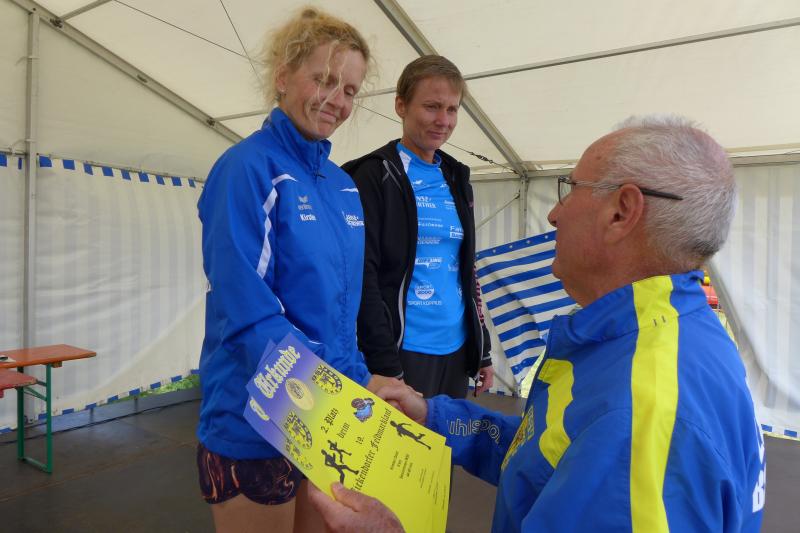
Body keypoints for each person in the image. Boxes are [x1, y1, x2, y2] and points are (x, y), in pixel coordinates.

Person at [308, 115, 767, 532]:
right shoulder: (657, 337)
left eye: (572, 188)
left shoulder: (637, 422)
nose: (554, 213)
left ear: (621, 212)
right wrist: (435, 416)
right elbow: (548, 455)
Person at [195, 8, 397, 532]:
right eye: (324, 79)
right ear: (283, 76)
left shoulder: (341, 185)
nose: (337, 100)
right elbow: (248, 313)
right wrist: (327, 400)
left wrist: (358, 386)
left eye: (349, 90)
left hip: (323, 417)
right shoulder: (247, 168)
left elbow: (341, 313)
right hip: (255, 422)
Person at [342, 55, 494, 400]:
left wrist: (481, 348)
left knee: (445, 436)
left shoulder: (456, 177)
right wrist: (384, 363)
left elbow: (466, 269)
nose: (443, 120)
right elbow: (363, 276)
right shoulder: (373, 175)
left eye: (452, 109)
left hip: (456, 350)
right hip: (403, 352)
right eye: (432, 107)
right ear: (401, 106)